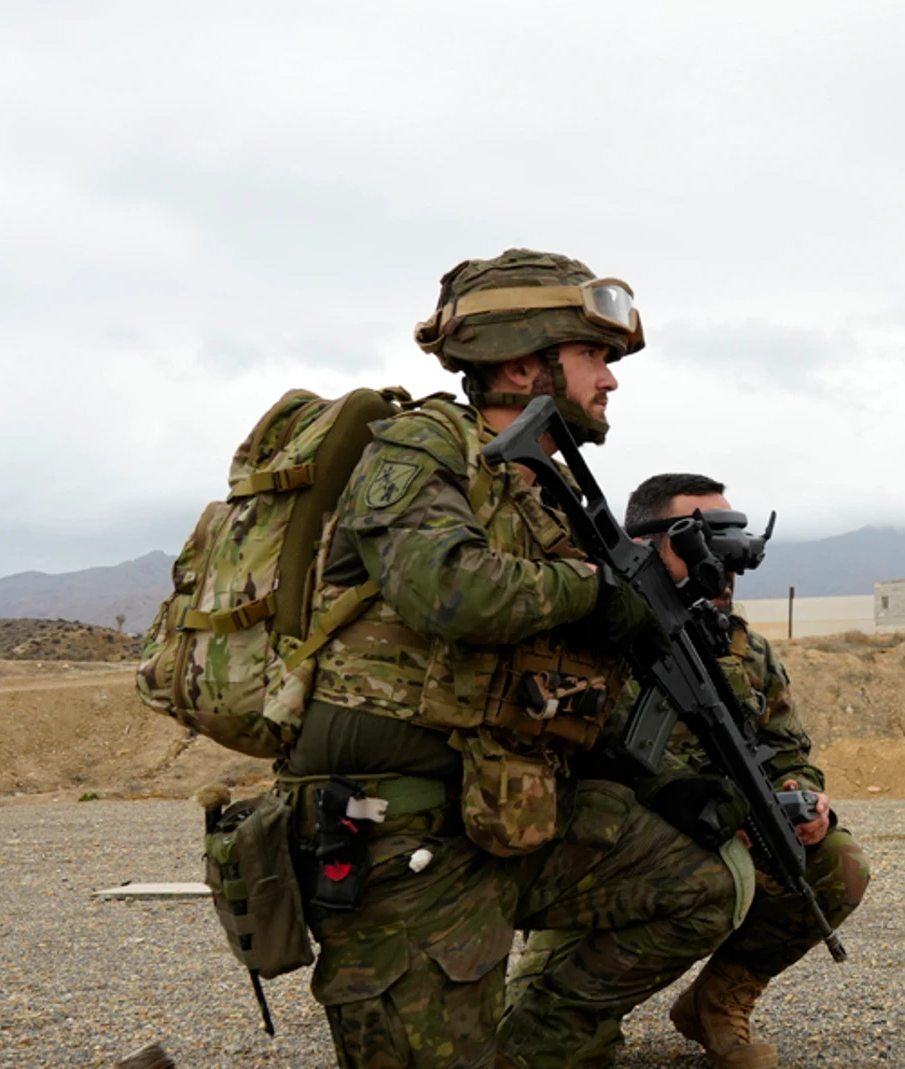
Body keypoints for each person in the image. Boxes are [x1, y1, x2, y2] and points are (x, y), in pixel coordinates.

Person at [281, 249, 739, 1069]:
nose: (610, 379)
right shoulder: (421, 447)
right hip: (405, 828)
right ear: (526, 361)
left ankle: (534, 1050)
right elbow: (441, 588)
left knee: (698, 884)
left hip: (508, 809)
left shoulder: (536, 488)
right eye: (594, 356)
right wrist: (593, 591)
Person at [513, 474, 869, 1069]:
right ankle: (577, 1012)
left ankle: (715, 1004)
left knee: (836, 865)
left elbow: (785, 746)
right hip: (610, 853)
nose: (723, 567)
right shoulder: (596, 632)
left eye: (730, 548)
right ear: (646, 546)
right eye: (702, 544)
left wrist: (799, 794)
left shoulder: (739, 646)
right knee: (537, 1039)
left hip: (718, 837)